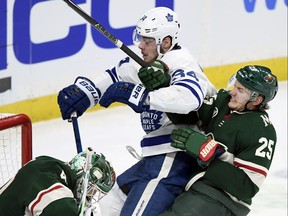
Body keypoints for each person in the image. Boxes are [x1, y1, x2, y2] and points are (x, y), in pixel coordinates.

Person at [57, 7, 216, 216]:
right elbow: (115, 76)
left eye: (148, 41)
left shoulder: (182, 62)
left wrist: (141, 95)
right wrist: (85, 93)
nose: (140, 45)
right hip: (153, 157)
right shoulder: (143, 62)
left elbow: (189, 97)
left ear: (166, 42)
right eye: (140, 38)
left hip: (175, 157)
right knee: (108, 207)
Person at [161, 65, 278, 216]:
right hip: (195, 182)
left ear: (256, 100)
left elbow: (247, 188)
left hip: (224, 200)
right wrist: (164, 89)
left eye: (240, 90)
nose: (232, 92)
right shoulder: (224, 101)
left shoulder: (262, 131)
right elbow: (187, 117)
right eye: (235, 86)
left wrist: (210, 155)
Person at [0, 148, 115, 216]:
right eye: (92, 191)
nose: (91, 197)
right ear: (83, 180)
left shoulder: (48, 164)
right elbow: (61, 208)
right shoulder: (59, 201)